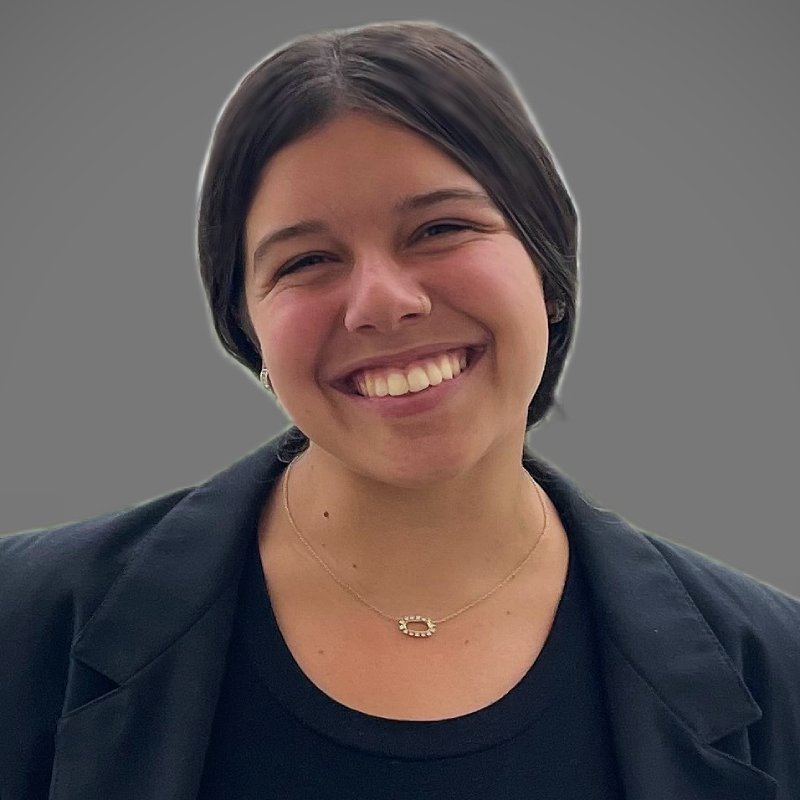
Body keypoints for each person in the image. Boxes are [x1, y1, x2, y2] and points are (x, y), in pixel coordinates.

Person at [1, 19, 798, 800]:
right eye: (308, 260)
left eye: (440, 227)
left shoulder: (775, 667)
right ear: (246, 327)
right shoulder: (24, 624)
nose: (382, 302)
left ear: (549, 269)